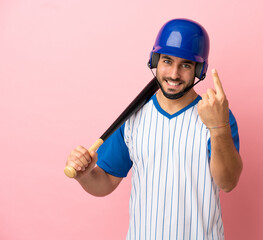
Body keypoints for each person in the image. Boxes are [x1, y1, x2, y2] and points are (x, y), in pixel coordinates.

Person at [66, 18, 243, 239]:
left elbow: (228, 183)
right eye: (167, 61)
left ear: (199, 69)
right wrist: (85, 176)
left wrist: (218, 126)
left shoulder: (217, 115)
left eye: (186, 65)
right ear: (155, 61)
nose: (174, 74)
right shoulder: (132, 117)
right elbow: (105, 183)